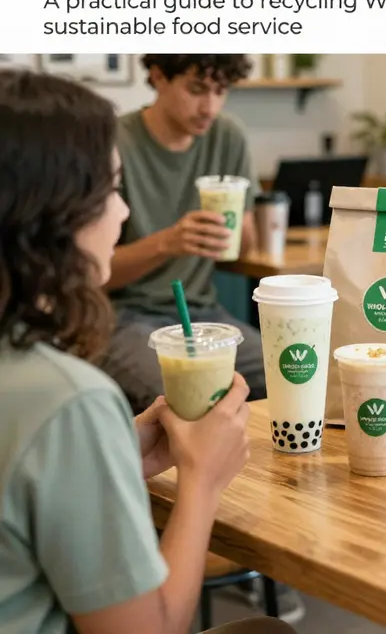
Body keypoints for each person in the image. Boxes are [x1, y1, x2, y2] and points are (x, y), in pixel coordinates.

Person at [0, 69, 296, 634]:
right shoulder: (69, 400)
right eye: (110, 190)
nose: (123, 212)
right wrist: (202, 482)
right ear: (57, 213)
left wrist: (119, 451)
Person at [102, 54, 267, 413]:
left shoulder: (227, 137)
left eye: (221, 91)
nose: (209, 107)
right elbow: (94, 275)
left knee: (290, 371)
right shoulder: (113, 142)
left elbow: (242, 250)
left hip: (205, 316)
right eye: (196, 90)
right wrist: (167, 242)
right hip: (126, 318)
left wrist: (235, 232)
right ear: (158, 77)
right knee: (181, 398)